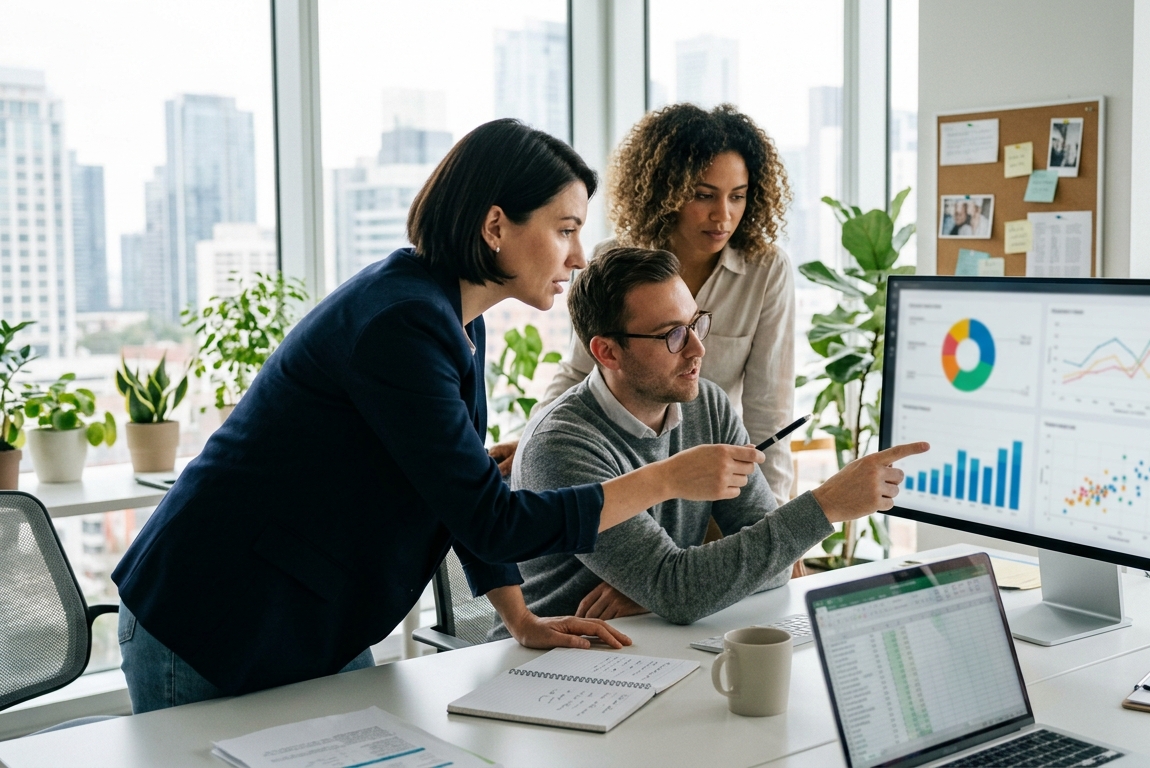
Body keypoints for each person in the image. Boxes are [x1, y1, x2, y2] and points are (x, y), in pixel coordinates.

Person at [110, 120, 762, 713]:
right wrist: (666, 479)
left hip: (306, 616)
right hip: (215, 615)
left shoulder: (454, 321)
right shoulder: (401, 325)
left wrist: (520, 619)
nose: (579, 256)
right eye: (565, 229)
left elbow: (461, 494)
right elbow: (493, 520)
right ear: (496, 227)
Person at [486, 247, 928, 636]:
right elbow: (681, 592)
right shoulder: (562, 446)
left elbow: (772, 564)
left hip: (654, 643)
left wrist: (664, 589)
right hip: (550, 663)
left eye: (696, 324)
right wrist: (826, 505)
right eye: (673, 335)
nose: (697, 349)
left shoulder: (708, 405)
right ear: (608, 352)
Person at [491, 104, 798, 504]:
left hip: (713, 478)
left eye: (737, 197)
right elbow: (581, 370)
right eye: (704, 195)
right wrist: (537, 443)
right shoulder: (612, 260)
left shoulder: (766, 270)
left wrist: (775, 514)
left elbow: (769, 411)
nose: (723, 215)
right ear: (667, 192)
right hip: (622, 467)